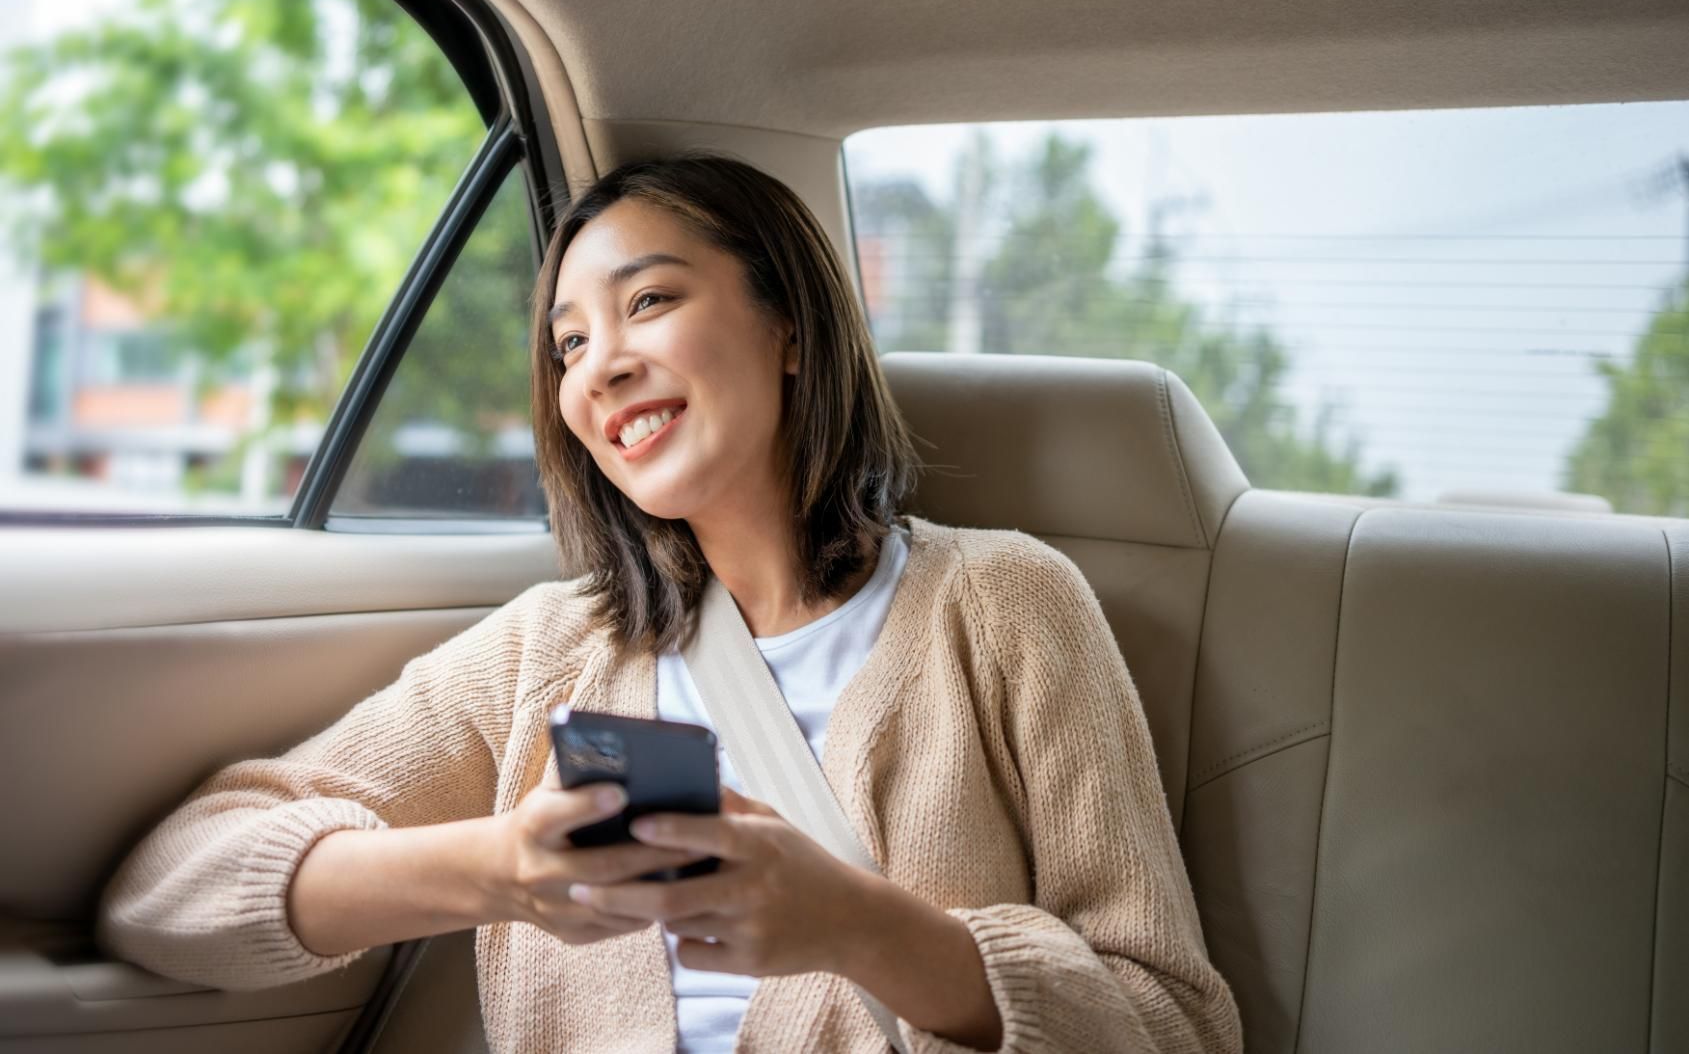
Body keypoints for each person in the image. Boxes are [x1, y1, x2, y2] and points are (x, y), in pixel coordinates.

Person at [98, 154, 1244, 1054]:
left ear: (789, 325)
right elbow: (172, 886)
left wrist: (859, 927)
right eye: (568, 345)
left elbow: (1173, 1027)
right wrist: (502, 869)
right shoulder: (552, 648)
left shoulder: (1007, 606)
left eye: (648, 301)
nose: (597, 367)